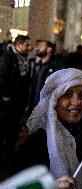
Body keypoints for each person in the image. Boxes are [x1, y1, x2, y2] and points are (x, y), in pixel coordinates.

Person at [13, 68, 82, 189]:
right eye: (67, 94)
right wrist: (51, 186)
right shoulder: (36, 143)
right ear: (53, 101)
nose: (76, 102)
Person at [0, 35, 33, 166]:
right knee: (4, 130)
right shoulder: (8, 57)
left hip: (18, 102)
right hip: (7, 103)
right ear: (19, 45)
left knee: (13, 131)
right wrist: (5, 96)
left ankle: (9, 155)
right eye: (27, 45)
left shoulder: (24, 59)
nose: (30, 48)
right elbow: (2, 76)